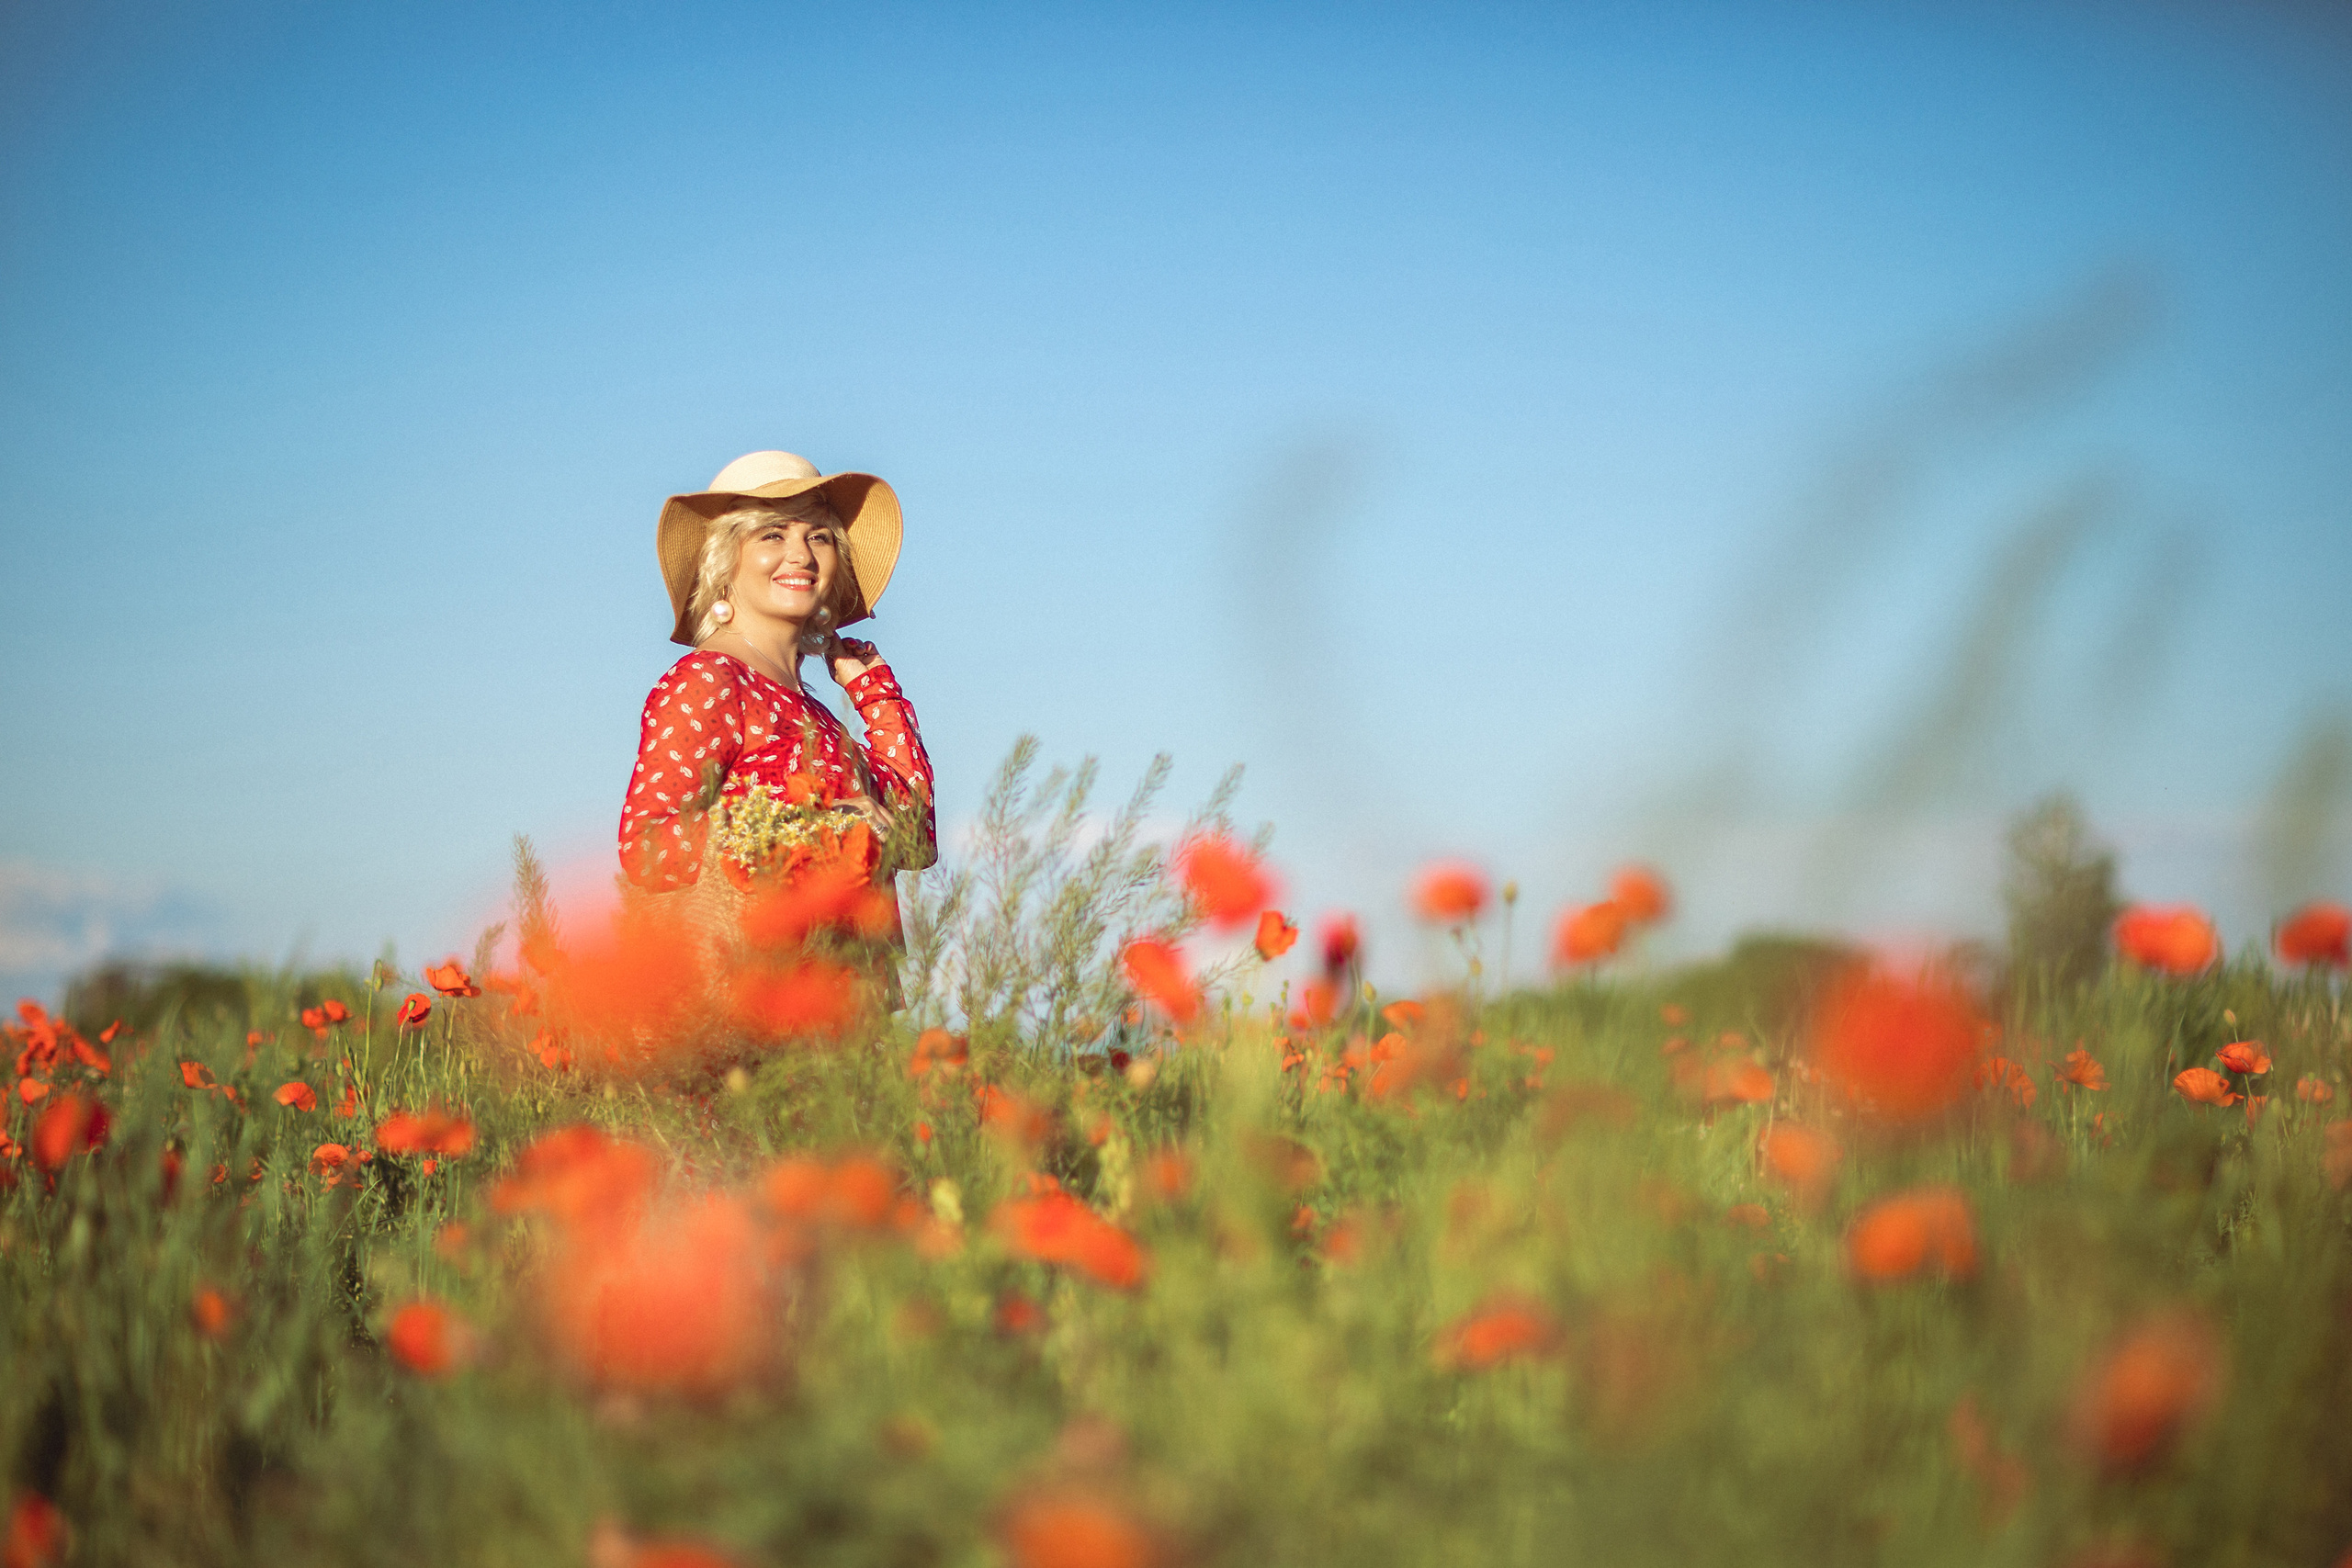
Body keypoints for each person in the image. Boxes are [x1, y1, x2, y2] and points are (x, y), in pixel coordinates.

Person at [618, 450, 935, 993]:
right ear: (724, 561)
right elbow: (647, 847)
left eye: (820, 537)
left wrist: (874, 691)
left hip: (843, 1007)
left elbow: (915, 836)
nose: (802, 555)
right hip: (754, 999)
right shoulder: (711, 680)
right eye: (772, 535)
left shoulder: (812, 711)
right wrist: (816, 828)